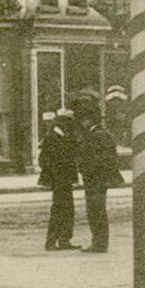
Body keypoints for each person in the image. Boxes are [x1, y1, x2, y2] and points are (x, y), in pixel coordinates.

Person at [77, 107, 123, 253]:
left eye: (84, 119)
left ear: (89, 120)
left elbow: (101, 158)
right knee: (96, 210)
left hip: (95, 178)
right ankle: (98, 242)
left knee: (96, 210)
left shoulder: (97, 135)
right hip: (95, 178)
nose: (82, 123)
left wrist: (87, 169)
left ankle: (99, 243)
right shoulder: (97, 134)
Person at [38, 107, 80, 250]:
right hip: (60, 179)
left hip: (65, 179)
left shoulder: (65, 136)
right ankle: (52, 241)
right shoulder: (53, 137)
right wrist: (55, 173)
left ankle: (64, 239)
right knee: (60, 210)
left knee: (67, 209)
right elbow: (43, 159)